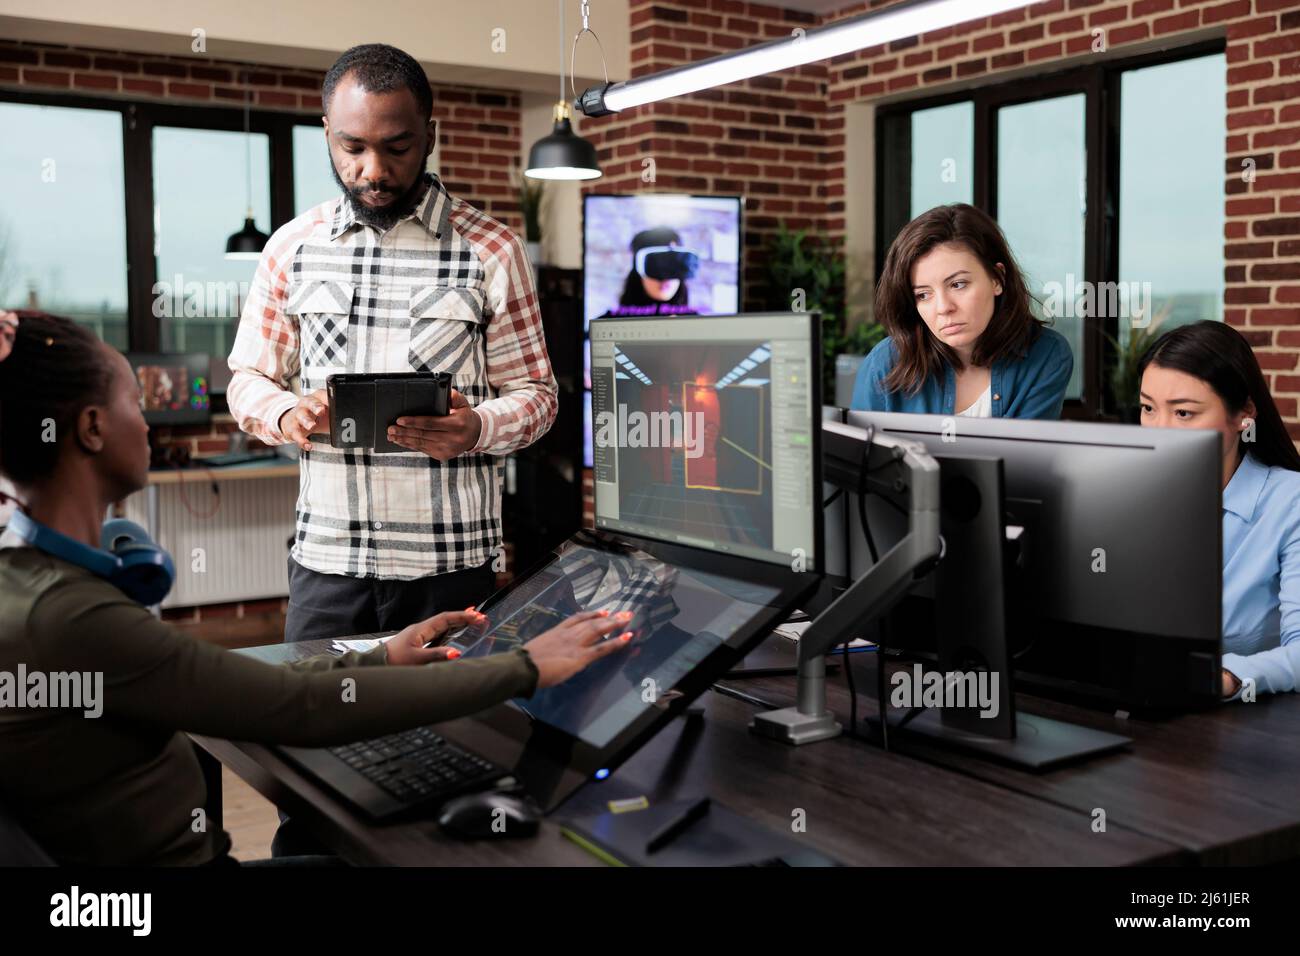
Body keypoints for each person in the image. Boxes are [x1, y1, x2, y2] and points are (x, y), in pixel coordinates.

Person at [0, 312, 632, 865]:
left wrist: (382, 656)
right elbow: (293, 709)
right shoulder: (74, 617)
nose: (144, 424)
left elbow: (251, 690)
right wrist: (525, 666)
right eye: (134, 403)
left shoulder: (31, 585)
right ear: (89, 428)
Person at [227, 44, 557, 643]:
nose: (373, 170)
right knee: (317, 725)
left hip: (451, 567)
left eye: (396, 147)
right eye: (351, 148)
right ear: (327, 132)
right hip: (327, 563)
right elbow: (247, 381)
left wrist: (477, 427)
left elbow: (538, 396)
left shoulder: (493, 251)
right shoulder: (290, 248)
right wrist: (285, 411)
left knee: (457, 733)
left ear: (429, 135)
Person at [1137, 320, 1300, 700]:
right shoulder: (1131, 497)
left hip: (1242, 731)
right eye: (1147, 408)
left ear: (1243, 416)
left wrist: (1221, 678)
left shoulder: (1290, 503)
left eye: (1183, 413)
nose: (1158, 432)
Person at [851, 203, 1073, 419]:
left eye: (958, 284)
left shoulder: (1047, 355)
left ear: (997, 278)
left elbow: (1025, 455)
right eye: (923, 294)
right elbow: (861, 455)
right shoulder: (882, 365)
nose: (944, 308)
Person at [614, 227, 698, 314]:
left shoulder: (700, 324)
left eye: (673, 264)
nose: (666, 278)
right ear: (638, 267)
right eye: (657, 264)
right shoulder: (608, 324)